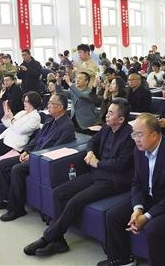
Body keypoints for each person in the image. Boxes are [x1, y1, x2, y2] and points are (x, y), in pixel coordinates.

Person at [24, 98, 135, 257]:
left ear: (121, 119)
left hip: (114, 180)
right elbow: (92, 142)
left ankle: (47, 238)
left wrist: (97, 163)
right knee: (59, 193)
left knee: (75, 201)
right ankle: (59, 241)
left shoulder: (130, 136)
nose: (106, 115)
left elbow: (121, 164)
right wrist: (90, 152)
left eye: (111, 113)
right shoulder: (106, 128)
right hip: (96, 173)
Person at [100, 114, 165, 266]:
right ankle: (123, 260)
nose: (135, 139)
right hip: (149, 197)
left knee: (152, 229)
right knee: (112, 216)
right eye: (133, 134)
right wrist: (138, 209)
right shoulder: (139, 150)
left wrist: (147, 216)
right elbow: (136, 182)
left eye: (139, 135)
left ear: (154, 135)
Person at [0, 93, 75, 221]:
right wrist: (27, 151)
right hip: (34, 154)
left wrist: (33, 157)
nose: (48, 105)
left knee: (17, 169)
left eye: (51, 103)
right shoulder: (50, 121)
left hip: (43, 159)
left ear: (60, 107)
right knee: (3, 164)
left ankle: (17, 209)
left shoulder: (67, 126)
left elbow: (56, 149)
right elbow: (37, 139)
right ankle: (4, 199)